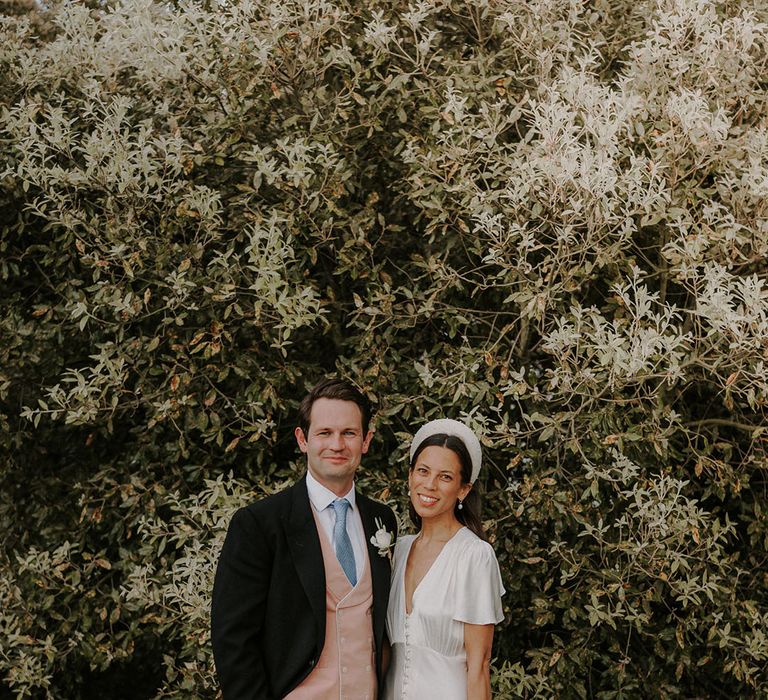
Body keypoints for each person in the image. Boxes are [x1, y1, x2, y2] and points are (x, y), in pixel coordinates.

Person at [211, 378, 398, 700]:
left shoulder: (382, 520)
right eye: (325, 433)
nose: (337, 445)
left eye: (349, 433)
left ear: (366, 441)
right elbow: (233, 639)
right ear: (303, 439)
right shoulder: (259, 524)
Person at [384, 419, 505, 700]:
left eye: (445, 477)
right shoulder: (397, 550)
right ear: (410, 476)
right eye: (423, 471)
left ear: (463, 489)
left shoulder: (474, 557)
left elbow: (479, 667)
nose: (430, 485)